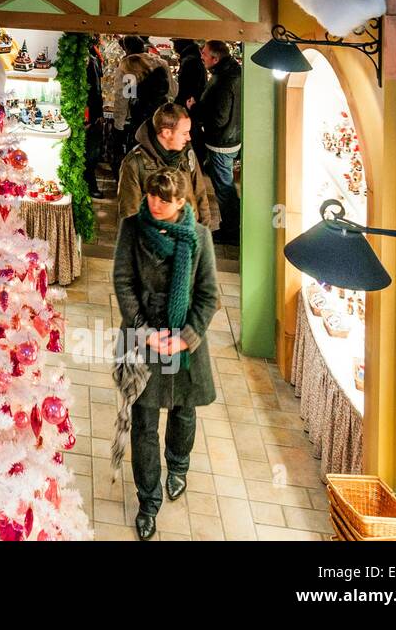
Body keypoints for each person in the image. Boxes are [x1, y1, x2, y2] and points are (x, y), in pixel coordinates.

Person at [112, 168, 221, 540]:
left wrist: (187, 337)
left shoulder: (200, 238)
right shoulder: (131, 228)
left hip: (183, 345)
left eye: (165, 200)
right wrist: (142, 329)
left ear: (181, 202)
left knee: (183, 411)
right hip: (143, 341)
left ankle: (178, 466)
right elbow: (123, 282)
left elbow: (209, 295)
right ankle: (148, 501)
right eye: (152, 197)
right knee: (143, 423)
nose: (156, 204)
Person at [116, 102, 216, 229]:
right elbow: (130, 215)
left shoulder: (187, 151)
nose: (189, 137)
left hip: (188, 236)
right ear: (166, 133)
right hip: (157, 244)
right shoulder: (133, 164)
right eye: (184, 133)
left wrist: (204, 233)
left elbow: (200, 193)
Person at [188, 40, 242, 245]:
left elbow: (219, 117)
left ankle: (231, 230)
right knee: (224, 185)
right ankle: (232, 225)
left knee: (224, 188)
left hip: (221, 142)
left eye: (204, 53)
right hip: (230, 138)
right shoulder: (232, 74)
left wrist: (195, 109)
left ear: (215, 58)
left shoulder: (223, 81)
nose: (201, 56)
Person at [84, 37, 105, 198]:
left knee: (92, 152)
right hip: (90, 115)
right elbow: (94, 91)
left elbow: (95, 91)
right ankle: (90, 185)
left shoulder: (92, 59)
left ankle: (90, 184)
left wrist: (95, 116)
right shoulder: (91, 60)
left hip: (91, 115)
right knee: (91, 152)